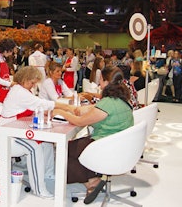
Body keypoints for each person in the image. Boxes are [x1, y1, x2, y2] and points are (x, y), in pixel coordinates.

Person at [53, 66, 133, 204]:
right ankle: (92, 180)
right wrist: (69, 108)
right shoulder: (120, 100)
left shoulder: (108, 103)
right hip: (119, 145)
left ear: (107, 82)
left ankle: (90, 181)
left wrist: (61, 113)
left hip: (105, 145)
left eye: (100, 80)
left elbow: (80, 121)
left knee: (64, 150)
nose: (98, 83)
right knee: (74, 148)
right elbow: (90, 110)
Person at [0, 66, 76, 199]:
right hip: (9, 131)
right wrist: (66, 107)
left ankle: (48, 173)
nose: (33, 85)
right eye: (32, 82)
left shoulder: (22, 90)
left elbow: (37, 105)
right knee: (35, 147)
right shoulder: (19, 92)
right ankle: (39, 189)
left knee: (46, 142)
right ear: (24, 79)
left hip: (16, 126)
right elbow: (41, 104)